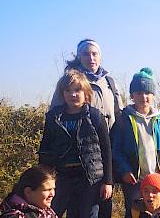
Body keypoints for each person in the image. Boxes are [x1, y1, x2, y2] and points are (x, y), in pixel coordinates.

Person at [50, 39, 123, 218]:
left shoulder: (110, 82)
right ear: (79, 57)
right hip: (79, 153)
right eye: (85, 54)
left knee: (102, 201)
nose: (91, 57)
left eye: (94, 53)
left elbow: (120, 113)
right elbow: (55, 116)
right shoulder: (70, 81)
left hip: (107, 146)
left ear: (100, 56)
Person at [38, 71, 112, 218]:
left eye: (77, 90)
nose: (73, 94)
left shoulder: (95, 116)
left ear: (86, 92)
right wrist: (43, 178)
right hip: (63, 176)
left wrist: (108, 181)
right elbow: (46, 148)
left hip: (90, 177)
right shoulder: (54, 117)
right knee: (53, 213)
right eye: (68, 90)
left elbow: (106, 150)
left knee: (88, 213)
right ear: (62, 93)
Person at [113, 68, 160, 218]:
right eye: (139, 93)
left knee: (157, 212)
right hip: (134, 178)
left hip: (156, 178)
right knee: (134, 212)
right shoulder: (124, 119)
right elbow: (116, 149)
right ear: (132, 95)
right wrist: (125, 170)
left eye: (147, 93)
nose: (143, 97)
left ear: (153, 95)